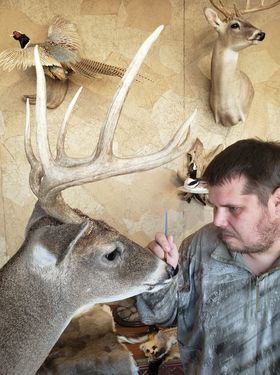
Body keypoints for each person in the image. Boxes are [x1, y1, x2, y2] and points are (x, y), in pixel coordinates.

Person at [137, 139, 280, 374]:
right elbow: (164, 316)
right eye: (214, 206)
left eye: (233, 208)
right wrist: (160, 276)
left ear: (277, 203)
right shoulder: (199, 246)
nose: (217, 221)